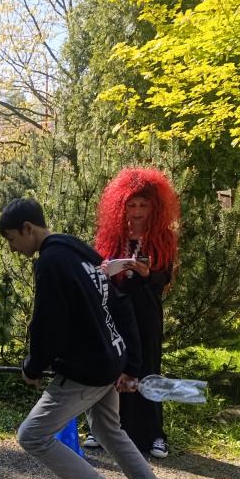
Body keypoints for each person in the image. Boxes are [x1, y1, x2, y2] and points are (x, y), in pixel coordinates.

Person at [0, 197, 189, 479]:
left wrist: (33, 368)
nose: (12, 248)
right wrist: (129, 364)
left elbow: (47, 326)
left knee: (32, 435)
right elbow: (120, 304)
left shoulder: (51, 261)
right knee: (108, 431)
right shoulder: (81, 252)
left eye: (12, 239)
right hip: (110, 361)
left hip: (86, 370)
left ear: (27, 228)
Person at [83, 166, 180, 459]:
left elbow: (164, 279)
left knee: (148, 368)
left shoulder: (164, 238)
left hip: (147, 313)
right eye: (132, 205)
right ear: (121, 206)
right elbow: (99, 274)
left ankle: (155, 435)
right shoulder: (111, 236)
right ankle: (103, 430)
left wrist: (148, 274)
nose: (137, 212)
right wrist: (104, 269)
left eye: (143, 205)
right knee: (113, 366)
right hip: (115, 312)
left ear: (154, 207)